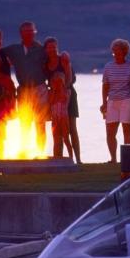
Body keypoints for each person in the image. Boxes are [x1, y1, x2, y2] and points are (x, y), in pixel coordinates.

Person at [2, 21, 48, 151]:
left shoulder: (41, 49)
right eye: (26, 32)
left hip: (40, 88)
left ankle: (40, 153)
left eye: (31, 31)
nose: (29, 34)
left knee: (40, 123)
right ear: (21, 34)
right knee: (24, 123)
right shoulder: (13, 50)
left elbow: (54, 61)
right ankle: (25, 151)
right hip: (23, 90)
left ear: (35, 33)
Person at [43, 36, 81, 164]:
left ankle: (77, 159)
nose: (51, 49)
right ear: (45, 49)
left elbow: (70, 79)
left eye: (54, 47)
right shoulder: (46, 64)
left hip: (68, 94)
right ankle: (58, 159)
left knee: (72, 128)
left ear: (57, 47)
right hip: (54, 97)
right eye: (49, 47)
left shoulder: (63, 60)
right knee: (56, 130)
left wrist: (62, 89)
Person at [100, 38, 130, 163]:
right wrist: (104, 102)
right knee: (110, 132)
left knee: (127, 131)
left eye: (118, 52)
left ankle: (128, 159)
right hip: (112, 101)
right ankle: (113, 159)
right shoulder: (108, 67)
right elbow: (105, 85)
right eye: (114, 52)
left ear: (125, 52)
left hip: (127, 100)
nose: (116, 55)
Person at [48, 70, 74, 160]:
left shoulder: (67, 91)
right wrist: (54, 89)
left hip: (63, 118)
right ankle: (56, 158)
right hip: (55, 119)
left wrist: (61, 88)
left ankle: (71, 158)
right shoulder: (51, 93)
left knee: (66, 139)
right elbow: (50, 102)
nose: (57, 84)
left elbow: (64, 100)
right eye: (56, 82)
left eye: (60, 82)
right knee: (56, 140)